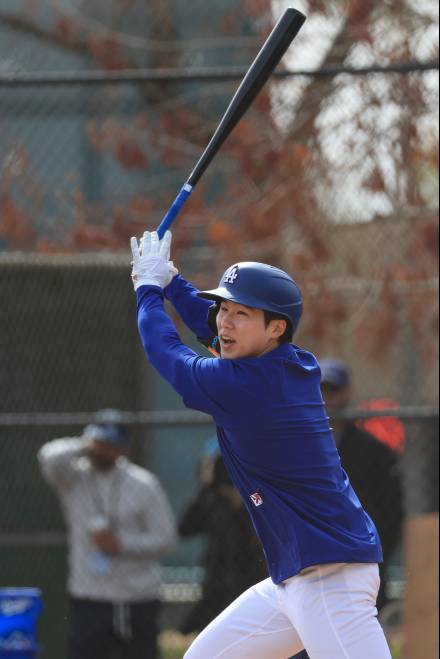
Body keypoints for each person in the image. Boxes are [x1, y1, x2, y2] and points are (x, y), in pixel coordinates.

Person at [130, 230, 392, 658]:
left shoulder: (245, 385)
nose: (225, 322)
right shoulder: (289, 361)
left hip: (330, 578)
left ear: (275, 328)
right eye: (225, 309)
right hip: (295, 579)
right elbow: (210, 325)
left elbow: (167, 354)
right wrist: (172, 282)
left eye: (242, 313)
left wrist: (147, 291)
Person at [38, 411, 177, 659]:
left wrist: (121, 544)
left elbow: (166, 539)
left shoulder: (143, 484)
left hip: (138, 597)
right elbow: (48, 456)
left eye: (110, 445)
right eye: (99, 443)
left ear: (123, 449)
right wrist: (84, 444)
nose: (102, 451)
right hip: (90, 596)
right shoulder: (73, 478)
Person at [319, 359, 404, 610]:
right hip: (315, 560)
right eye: (320, 389)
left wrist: (375, 554)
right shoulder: (301, 444)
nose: (325, 398)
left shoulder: (374, 451)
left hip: (362, 560)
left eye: (332, 390)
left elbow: (391, 512)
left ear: (346, 394)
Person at [178, 450, 267, 635]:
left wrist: (243, 502)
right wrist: (206, 486)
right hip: (217, 574)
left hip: (252, 573)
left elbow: (265, 514)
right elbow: (185, 528)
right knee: (211, 631)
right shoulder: (212, 497)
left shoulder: (256, 492)